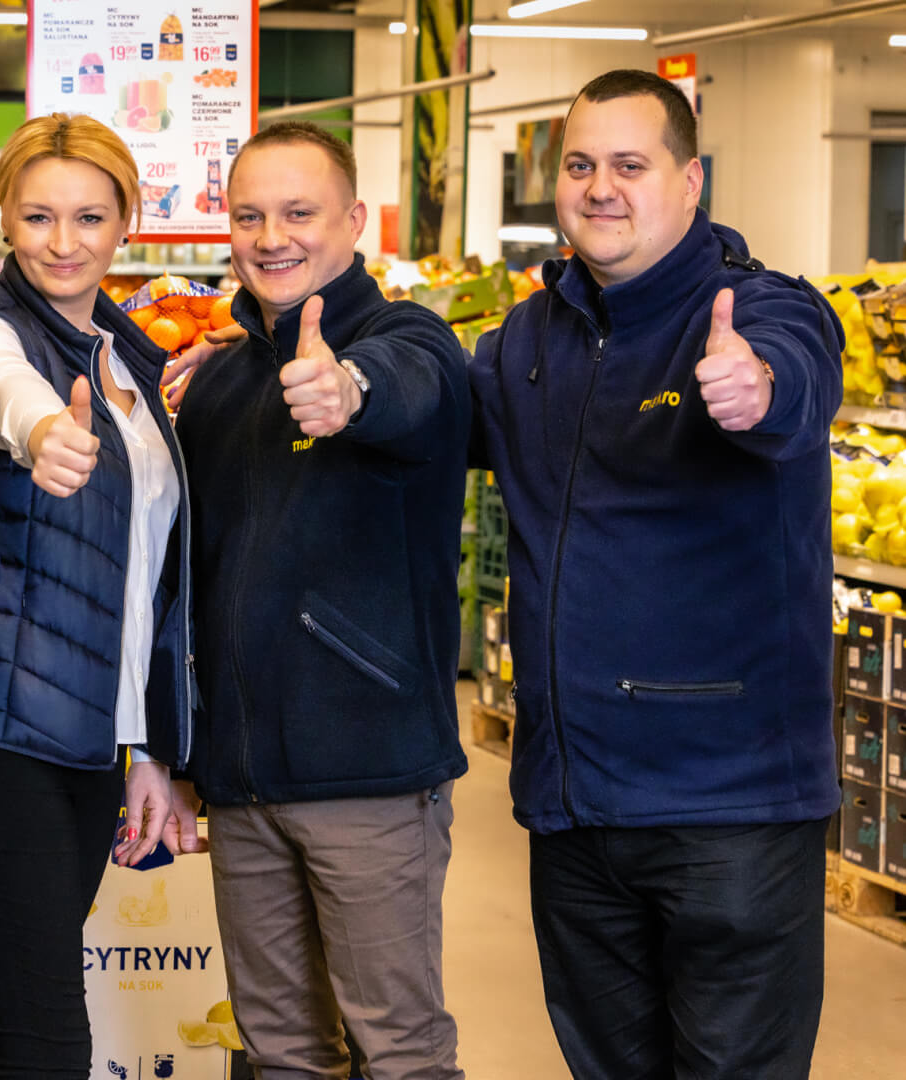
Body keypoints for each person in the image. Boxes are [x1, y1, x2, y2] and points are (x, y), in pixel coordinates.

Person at [468, 70, 843, 1079]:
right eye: (580, 165)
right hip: (573, 803)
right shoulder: (529, 339)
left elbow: (798, 373)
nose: (599, 188)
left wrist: (757, 387)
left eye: (629, 165)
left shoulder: (757, 307)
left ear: (689, 181)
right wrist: (326, 374)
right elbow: (427, 408)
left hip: (726, 808)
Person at [168, 121, 469, 1080]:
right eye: (248, 216)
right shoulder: (218, 382)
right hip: (242, 781)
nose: (271, 238)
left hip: (367, 772)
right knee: (281, 1052)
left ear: (354, 220)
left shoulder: (407, 338)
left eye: (298, 213)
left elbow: (405, 388)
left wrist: (346, 391)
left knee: (400, 1049)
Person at [0, 112, 194, 1080]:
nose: (63, 242)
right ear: (4, 218)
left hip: (84, 744)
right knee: (47, 1043)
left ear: (125, 223)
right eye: (37, 217)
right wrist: (38, 432)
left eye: (89, 218)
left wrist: (144, 747)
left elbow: (139, 577)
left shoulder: (127, 359)